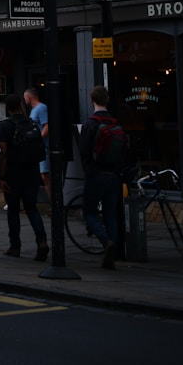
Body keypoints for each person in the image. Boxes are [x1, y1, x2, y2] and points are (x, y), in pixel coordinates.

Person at [0, 93, 49, 261]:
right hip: (32, 172)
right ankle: (42, 241)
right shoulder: (31, 123)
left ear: (7, 107)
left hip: (13, 173)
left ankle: (15, 246)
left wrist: (2, 176)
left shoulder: (4, 126)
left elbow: (3, 153)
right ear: (20, 105)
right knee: (32, 208)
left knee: (13, 210)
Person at [78, 85, 124, 269]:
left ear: (92, 101)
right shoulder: (115, 123)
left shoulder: (90, 124)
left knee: (89, 212)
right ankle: (112, 251)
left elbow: (83, 151)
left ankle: (107, 243)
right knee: (110, 213)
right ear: (107, 100)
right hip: (114, 175)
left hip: (96, 174)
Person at [23, 87, 50, 198]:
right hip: (36, 147)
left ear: (29, 97)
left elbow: (47, 126)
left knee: (45, 175)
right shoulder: (34, 110)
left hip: (43, 146)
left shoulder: (41, 108)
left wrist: (38, 140)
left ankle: (54, 204)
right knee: (40, 174)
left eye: (25, 97)